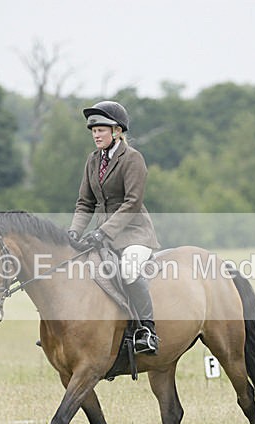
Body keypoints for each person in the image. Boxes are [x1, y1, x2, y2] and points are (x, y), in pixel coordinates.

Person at [67, 101, 161, 354]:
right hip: (103, 235)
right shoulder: (93, 161)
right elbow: (85, 201)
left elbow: (132, 203)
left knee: (129, 269)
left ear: (117, 131)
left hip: (134, 234)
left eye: (101, 130)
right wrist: (74, 231)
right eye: (93, 131)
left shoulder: (132, 159)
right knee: (77, 268)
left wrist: (102, 232)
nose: (96, 135)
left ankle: (147, 331)